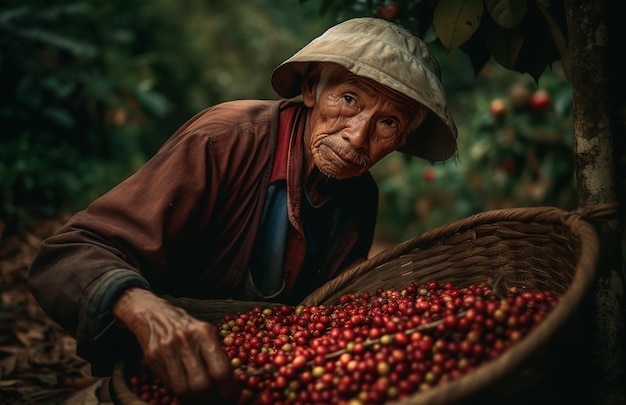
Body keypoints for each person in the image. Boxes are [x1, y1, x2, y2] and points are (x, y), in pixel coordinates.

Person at [28, 17, 457, 403]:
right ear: (312, 89)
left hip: (261, 377)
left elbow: (329, 318)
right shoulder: (226, 139)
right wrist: (146, 312)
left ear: (401, 140)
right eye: (348, 99)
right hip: (162, 373)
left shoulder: (360, 197)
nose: (358, 138)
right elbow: (67, 255)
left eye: (388, 124)